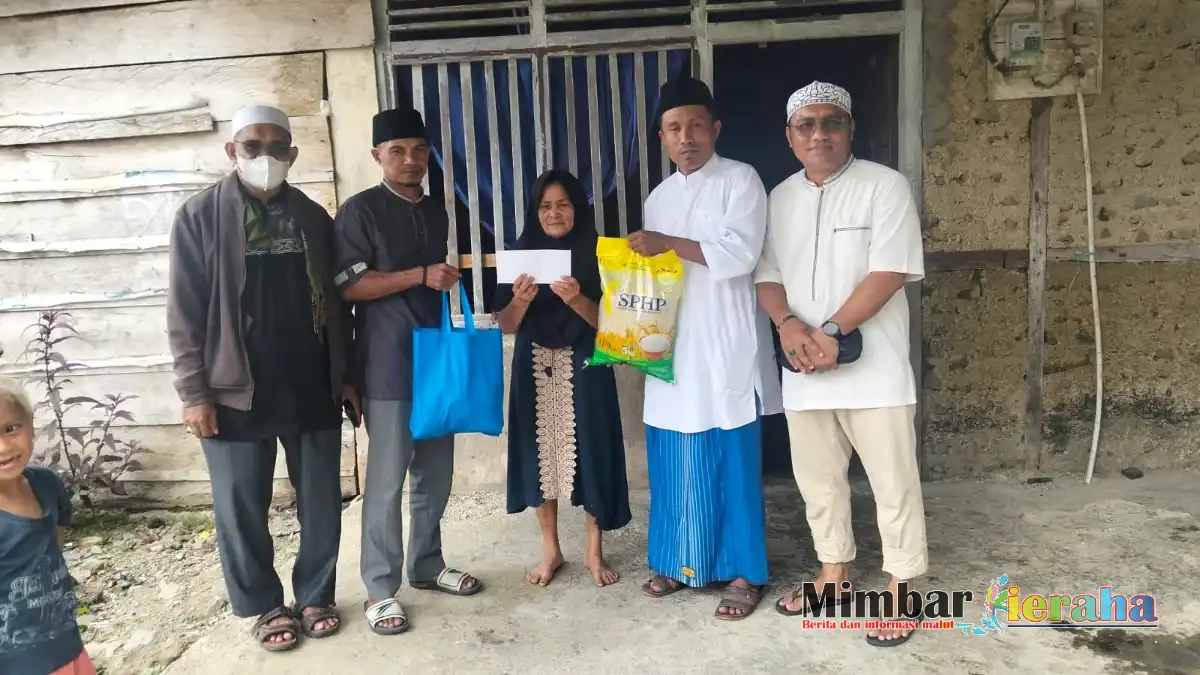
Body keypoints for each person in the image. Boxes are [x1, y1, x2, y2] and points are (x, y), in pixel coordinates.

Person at [166, 105, 355, 652]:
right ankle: (264, 604)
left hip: (310, 377)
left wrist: (345, 375)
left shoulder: (313, 217)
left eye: (277, 147)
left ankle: (315, 595)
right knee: (240, 504)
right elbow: (184, 312)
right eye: (253, 146)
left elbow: (337, 305)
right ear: (233, 151)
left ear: (292, 154)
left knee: (321, 498)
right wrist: (194, 393)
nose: (265, 156)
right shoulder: (199, 216)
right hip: (234, 386)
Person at [754, 81, 928, 646]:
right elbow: (767, 276)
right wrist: (788, 325)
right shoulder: (779, 197)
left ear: (850, 130)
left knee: (893, 482)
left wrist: (831, 331)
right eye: (805, 125)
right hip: (805, 367)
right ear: (789, 136)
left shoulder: (885, 186)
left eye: (831, 122)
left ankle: (902, 585)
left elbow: (890, 270)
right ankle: (834, 575)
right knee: (819, 483)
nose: (818, 134)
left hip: (874, 370)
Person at [628, 75, 781, 621]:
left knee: (730, 460)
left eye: (695, 125)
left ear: (715, 129)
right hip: (672, 343)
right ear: (662, 138)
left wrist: (667, 243)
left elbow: (740, 255)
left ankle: (745, 572)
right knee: (674, 458)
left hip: (724, 342)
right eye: (674, 128)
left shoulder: (741, 180)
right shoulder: (658, 198)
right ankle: (679, 561)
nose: (685, 137)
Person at [333, 108, 483, 637]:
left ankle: (426, 564)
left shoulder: (436, 210)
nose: (410, 159)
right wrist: (420, 275)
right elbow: (349, 286)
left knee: (435, 476)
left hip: (436, 361)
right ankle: (379, 587)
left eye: (419, 149)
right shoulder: (359, 210)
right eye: (396, 150)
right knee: (386, 482)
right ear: (377, 155)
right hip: (387, 365)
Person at [494, 170, 632, 589]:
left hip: (585, 358)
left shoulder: (599, 254)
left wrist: (577, 300)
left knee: (591, 445)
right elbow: (506, 324)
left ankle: (594, 549)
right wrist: (520, 302)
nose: (554, 213)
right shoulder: (521, 255)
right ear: (535, 212)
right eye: (545, 206)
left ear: (578, 209)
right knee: (540, 452)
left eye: (563, 204)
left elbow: (612, 324)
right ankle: (550, 549)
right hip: (534, 360)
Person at [0, 379, 96, 675]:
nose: (3, 447)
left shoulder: (47, 485)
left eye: (11, 428)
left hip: (67, 649)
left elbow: (54, 550)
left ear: (31, 424)